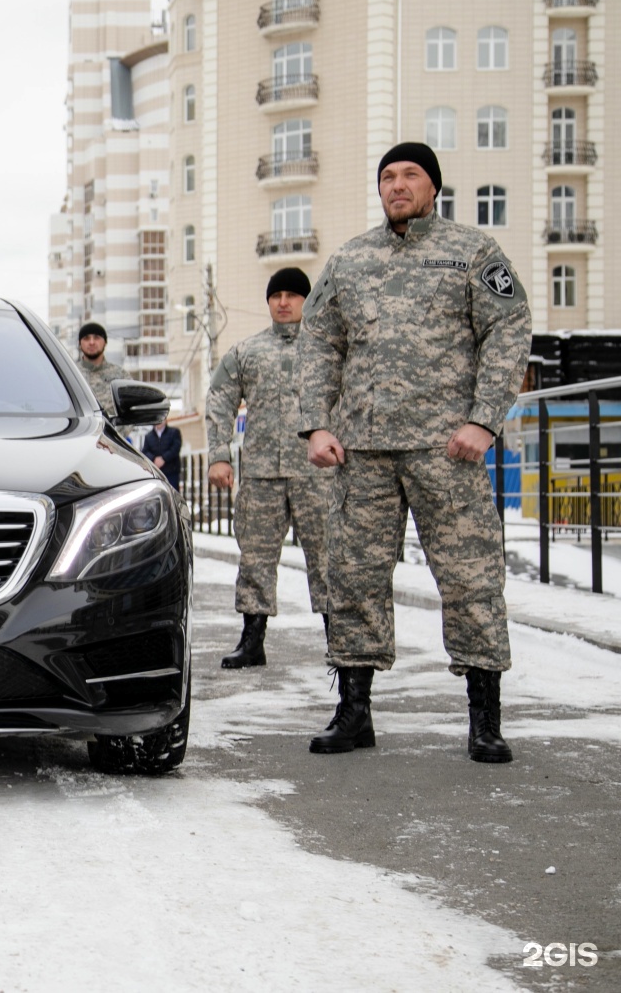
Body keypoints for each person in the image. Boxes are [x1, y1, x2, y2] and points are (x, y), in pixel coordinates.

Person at [298, 142, 531, 763]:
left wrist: (484, 420)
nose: (397, 185)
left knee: (470, 577)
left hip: (446, 448)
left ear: (433, 186)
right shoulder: (350, 260)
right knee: (352, 577)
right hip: (363, 452)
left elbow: (508, 330)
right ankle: (354, 712)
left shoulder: (471, 252)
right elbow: (319, 344)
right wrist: (316, 426)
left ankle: (485, 718)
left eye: (410, 175)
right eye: (388, 177)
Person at [206, 267, 329, 668]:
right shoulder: (247, 352)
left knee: (329, 557)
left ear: (307, 301)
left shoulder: (328, 348)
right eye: (277, 295)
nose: (283, 302)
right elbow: (220, 399)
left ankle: (340, 639)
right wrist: (219, 454)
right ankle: (252, 640)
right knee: (255, 557)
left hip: (318, 473)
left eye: (293, 295)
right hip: (261, 473)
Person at [77, 321, 128, 417]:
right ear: (80, 343)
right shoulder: (71, 374)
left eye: (96, 338)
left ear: (105, 342)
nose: (91, 342)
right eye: (86, 338)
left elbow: (131, 408)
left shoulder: (121, 375)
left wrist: (118, 431)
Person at [142, 419, 182, 489]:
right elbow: (145, 451)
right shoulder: (148, 436)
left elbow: (175, 448)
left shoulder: (174, 432)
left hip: (171, 472)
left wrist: (163, 458)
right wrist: (154, 459)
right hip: (156, 473)